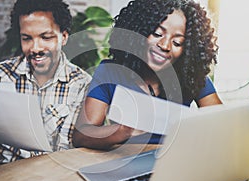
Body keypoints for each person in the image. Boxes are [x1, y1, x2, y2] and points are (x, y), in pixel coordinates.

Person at [0, 0, 91, 170]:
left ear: (63, 37)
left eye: (46, 37)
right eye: (26, 38)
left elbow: (85, 156)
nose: (35, 48)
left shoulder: (83, 85)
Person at [72, 0, 223, 150]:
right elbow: (81, 136)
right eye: (157, 34)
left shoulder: (191, 76)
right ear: (139, 32)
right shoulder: (111, 71)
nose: (165, 46)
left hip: (174, 161)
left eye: (177, 43)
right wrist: (123, 131)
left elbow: (223, 125)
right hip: (127, 162)